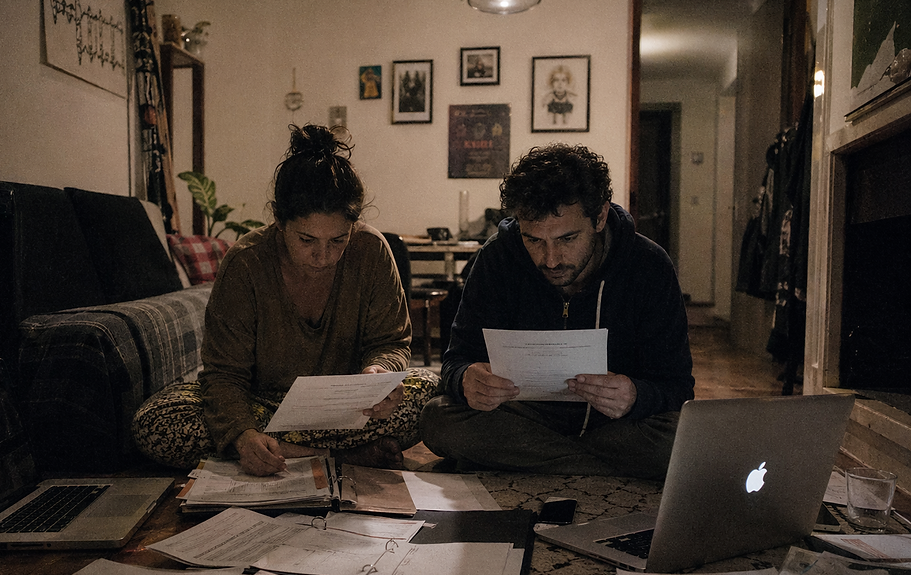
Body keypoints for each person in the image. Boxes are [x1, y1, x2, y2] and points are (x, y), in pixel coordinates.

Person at [134, 124, 439, 475]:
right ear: (279, 221)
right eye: (307, 240)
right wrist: (243, 433)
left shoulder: (371, 251)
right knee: (156, 422)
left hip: (346, 407)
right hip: (264, 404)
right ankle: (335, 456)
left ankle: (289, 450)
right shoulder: (247, 262)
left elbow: (391, 342)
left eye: (338, 240)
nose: (323, 256)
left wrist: (380, 374)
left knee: (429, 392)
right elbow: (224, 374)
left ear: (353, 227)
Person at [421, 143, 694, 479]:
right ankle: (595, 467)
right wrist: (466, 379)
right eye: (533, 240)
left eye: (567, 239)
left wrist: (636, 395)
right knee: (437, 419)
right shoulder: (497, 258)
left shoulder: (648, 266)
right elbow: (455, 361)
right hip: (523, 416)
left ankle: (533, 462)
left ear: (600, 216)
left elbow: (678, 387)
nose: (550, 259)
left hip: (615, 424)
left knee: (682, 436)